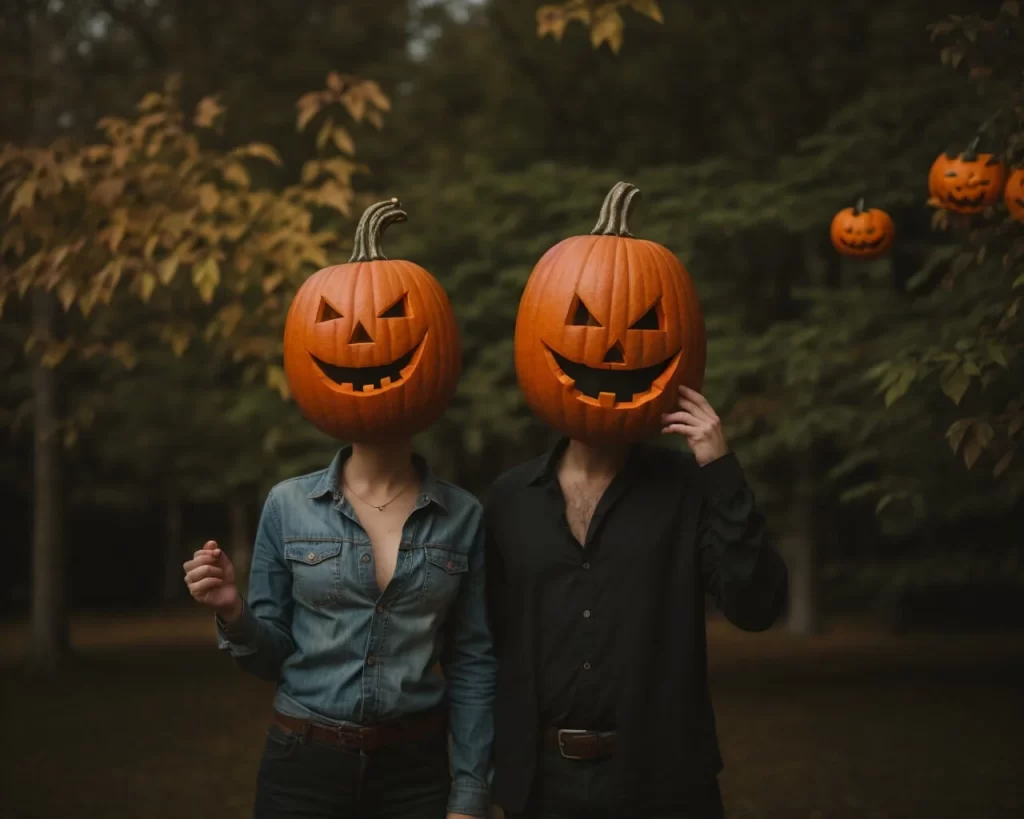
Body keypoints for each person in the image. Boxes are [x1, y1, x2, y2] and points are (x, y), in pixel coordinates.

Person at [184, 199, 495, 819]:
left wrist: (469, 793)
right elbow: (271, 657)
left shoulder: (464, 516)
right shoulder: (288, 505)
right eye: (333, 320)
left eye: (394, 318)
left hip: (416, 773)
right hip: (303, 765)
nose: (361, 339)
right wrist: (232, 612)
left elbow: (474, 663)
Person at [487, 183, 788, 818]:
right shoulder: (510, 500)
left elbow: (757, 605)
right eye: (583, 323)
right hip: (541, 786)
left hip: (664, 785)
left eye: (647, 324)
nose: (615, 348)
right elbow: (478, 645)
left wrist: (720, 469)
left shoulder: (687, 490)